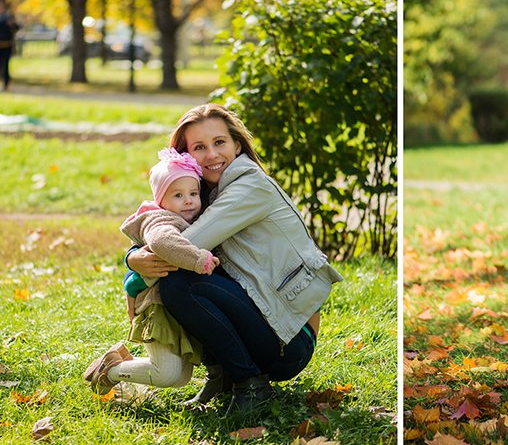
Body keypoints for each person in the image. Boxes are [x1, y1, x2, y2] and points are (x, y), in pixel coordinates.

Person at [125, 104, 344, 416]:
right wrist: (133, 258)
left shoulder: (248, 187)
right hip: (264, 320)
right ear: (185, 156)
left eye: (219, 143)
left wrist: (134, 277)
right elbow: (164, 230)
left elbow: (180, 246)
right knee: (185, 275)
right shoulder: (201, 194)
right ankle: (221, 377)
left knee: (179, 283)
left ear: (237, 145)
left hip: (289, 338)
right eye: (199, 147)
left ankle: (249, 384)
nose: (212, 155)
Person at [84, 148, 219, 395]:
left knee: (179, 378)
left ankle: (120, 360)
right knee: (166, 373)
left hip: (175, 306)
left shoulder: (187, 219)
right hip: (157, 306)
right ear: (161, 201)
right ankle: (111, 370)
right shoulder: (162, 221)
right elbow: (163, 243)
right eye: (178, 195)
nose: (188, 200)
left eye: (193, 193)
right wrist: (200, 259)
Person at [0, 2, 19, 92]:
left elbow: (17, 27)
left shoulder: (8, 18)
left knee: (6, 65)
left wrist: (12, 24)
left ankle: (6, 84)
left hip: (7, 45)